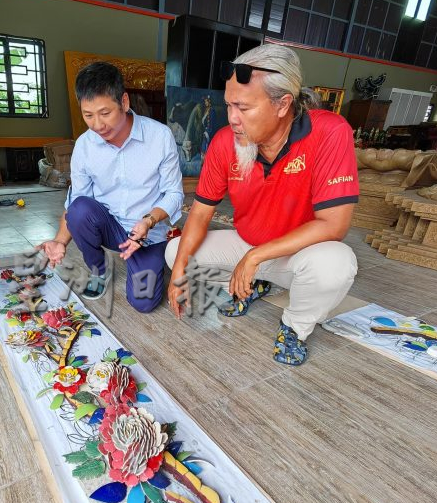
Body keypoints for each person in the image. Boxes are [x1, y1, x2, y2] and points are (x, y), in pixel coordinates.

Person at [166, 44, 359, 365]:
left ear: (283, 104)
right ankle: (252, 285)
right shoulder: (225, 141)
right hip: (249, 243)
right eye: (228, 105)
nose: (232, 118)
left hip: (296, 256)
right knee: (176, 254)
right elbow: (200, 211)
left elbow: (334, 225)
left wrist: (255, 256)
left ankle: (295, 326)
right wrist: (178, 274)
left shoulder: (329, 132)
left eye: (243, 107)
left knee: (336, 264)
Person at [38, 62, 183, 312]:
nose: (97, 124)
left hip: (147, 232)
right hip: (110, 226)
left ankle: (149, 261)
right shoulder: (84, 146)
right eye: (88, 115)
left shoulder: (159, 137)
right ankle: (99, 269)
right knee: (80, 210)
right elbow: (76, 203)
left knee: (143, 303)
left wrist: (148, 221)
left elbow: (174, 194)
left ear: (124, 102)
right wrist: (60, 241)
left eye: (105, 113)